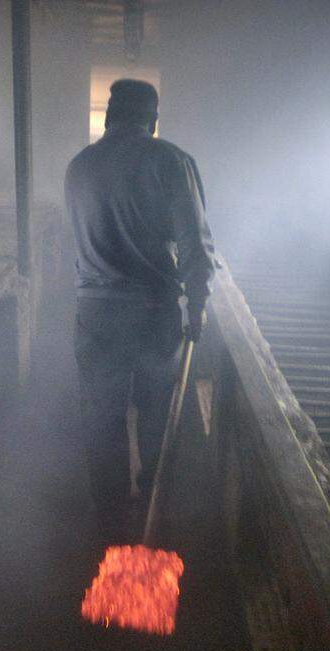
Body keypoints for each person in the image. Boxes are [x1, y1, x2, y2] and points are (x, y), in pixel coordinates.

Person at [64, 79, 216, 532]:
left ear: (109, 116)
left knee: (102, 414)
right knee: (156, 411)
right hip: (152, 310)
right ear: (151, 119)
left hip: (94, 311)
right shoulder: (170, 161)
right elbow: (193, 240)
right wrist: (198, 303)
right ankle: (154, 504)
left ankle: (109, 515)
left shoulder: (79, 166)